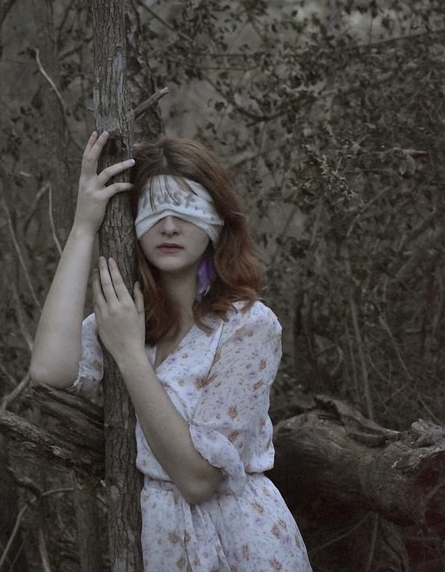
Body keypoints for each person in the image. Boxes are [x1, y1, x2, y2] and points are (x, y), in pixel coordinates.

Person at [30, 130, 312, 572]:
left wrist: (129, 356)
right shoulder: (129, 319)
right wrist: (84, 227)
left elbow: (198, 480)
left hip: (246, 545)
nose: (168, 226)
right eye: (152, 210)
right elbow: (49, 370)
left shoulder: (248, 326)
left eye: (186, 208)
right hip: (167, 545)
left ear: (217, 220)